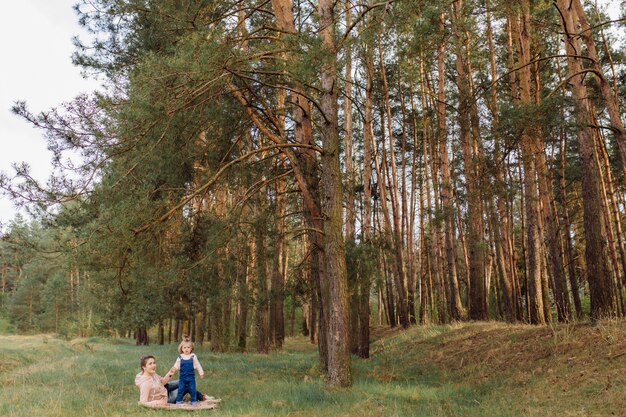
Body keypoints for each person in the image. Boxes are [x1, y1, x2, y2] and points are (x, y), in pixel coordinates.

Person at [135, 355, 207, 406]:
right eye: (150, 364)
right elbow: (143, 402)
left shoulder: (152, 374)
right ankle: (201, 397)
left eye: (154, 363)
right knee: (185, 385)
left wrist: (170, 373)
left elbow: (163, 382)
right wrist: (159, 402)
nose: (154, 365)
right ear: (144, 367)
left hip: (164, 390)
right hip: (166, 399)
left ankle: (199, 395)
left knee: (183, 381)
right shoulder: (145, 384)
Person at [171, 336, 205, 405]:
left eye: (188, 347)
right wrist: (173, 370)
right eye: (184, 347)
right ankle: (178, 401)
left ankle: (194, 401)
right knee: (181, 389)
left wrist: (201, 373)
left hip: (191, 378)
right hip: (182, 378)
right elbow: (176, 366)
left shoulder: (193, 356)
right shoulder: (180, 357)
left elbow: (198, 365)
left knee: (192, 389)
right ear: (182, 349)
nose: (186, 349)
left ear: (191, 348)